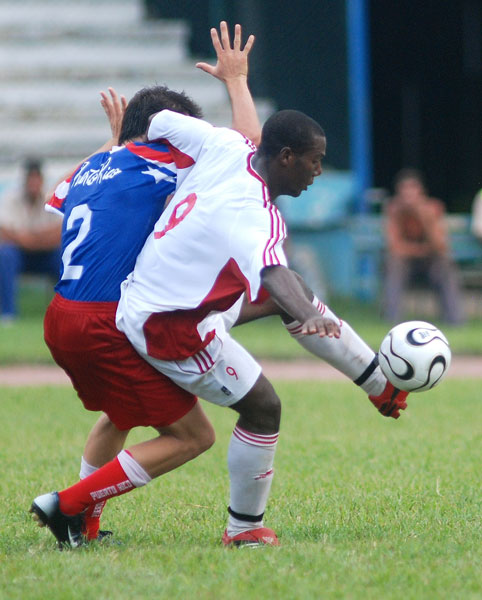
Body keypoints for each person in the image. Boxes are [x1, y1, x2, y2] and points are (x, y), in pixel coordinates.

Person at [31, 30, 408, 550]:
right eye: (315, 160)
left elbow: (168, 124)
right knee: (247, 413)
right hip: (164, 326)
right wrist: (310, 313)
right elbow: (274, 273)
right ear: (286, 157)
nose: (321, 171)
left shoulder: (211, 148)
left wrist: (221, 88)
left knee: (122, 411)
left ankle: (378, 385)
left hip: (127, 302)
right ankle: (222, 526)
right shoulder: (245, 206)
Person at [29, 22, 261, 547]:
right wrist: (237, 81)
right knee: (193, 436)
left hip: (61, 315)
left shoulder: (92, 166)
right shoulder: (164, 164)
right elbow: (249, 153)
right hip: (108, 321)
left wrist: (113, 143)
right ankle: (67, 505)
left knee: (120, 411)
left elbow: (64, 203)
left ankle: (80, 526)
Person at [383, 168, 465, 325]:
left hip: (431, 262)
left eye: (412, 190)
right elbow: (394, 247)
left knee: (445, 265)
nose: (408, 196)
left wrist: (424, 216)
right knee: (394, 264)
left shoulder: (433, 208)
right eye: (404, 191)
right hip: (406, 263)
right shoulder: (394, 209)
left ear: (421, 191)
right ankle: (392, 320)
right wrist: (420, 250)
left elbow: (440, 246)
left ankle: (455, 320)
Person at [0, 158, 62, 322]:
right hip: (20, 256)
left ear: (41, 180)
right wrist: (38, 238)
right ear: (25, 181)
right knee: (5, 255)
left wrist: (27, 238)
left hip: (45, 255)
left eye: (37, 178)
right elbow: (4, 231)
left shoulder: (51, 197)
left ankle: (64, 311)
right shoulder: (10, 198)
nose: (33, 183)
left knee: (64, 255)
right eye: (30, 179)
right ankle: (8, 314)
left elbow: (59, 233)